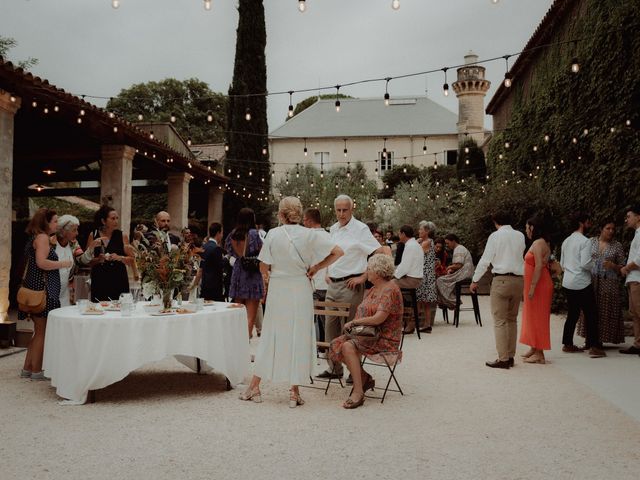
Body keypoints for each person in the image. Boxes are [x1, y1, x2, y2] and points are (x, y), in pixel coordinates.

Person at [239, 197, 343, 407]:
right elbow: (338, 252)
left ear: (281, 214)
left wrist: (269, 279)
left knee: (271, 335)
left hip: (279, 288)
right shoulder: (310, 235)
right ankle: (294, 392)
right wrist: (316, 268)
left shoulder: (274, 234)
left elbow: (263, 267)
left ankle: (255, 387)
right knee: (299, 336)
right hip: (301, 288)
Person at [316, 194, 390, 381]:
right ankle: (335, 368)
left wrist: (364, 276)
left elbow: (379, 252)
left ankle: (354, 373)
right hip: (333, 285)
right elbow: (333, 254)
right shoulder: (333, 228)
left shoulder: (360, 229)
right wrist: (328, 271)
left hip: (351, 285)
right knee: (330, 328)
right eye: (338, 210)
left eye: (345, 210)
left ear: (352, 209)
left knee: (350, 329)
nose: (341, 214)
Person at [328, 254, 404, 409]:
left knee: (348, 346)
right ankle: (363, 377)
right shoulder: (374, 289)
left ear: (378, 271)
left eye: (369, 268)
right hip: (367, 334)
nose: (366, 271)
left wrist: (355, 322)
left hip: (384, 336)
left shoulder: (391, 289)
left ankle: (358, 391)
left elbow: (378, 319)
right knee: (337, 343)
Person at [19, 208, 73, 380]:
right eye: (55, 221)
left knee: (38, 330)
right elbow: (41, 263)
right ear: (46, 222)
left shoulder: (36, 237)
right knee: (42, 331)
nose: (57, 224)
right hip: (42, 290)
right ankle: (36, 371)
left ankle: (28, 368)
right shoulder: (42, 238)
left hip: (34, 288)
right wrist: (63, 263)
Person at [469, 212, 525, 369]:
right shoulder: (520, 236)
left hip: (501, 279)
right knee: (512, 319)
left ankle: (503, 358)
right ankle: (511, 356)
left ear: (496, 222)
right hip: (518, 280)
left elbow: (485, 259)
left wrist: (475, 280)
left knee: (499, 321)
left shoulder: (495, 236)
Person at [560, 212, 605, 358]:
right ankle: (594, 346)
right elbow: (586, 264)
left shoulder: (566, 241)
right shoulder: (585, 241)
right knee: (591, 314)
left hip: (568, 281)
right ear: (581, 223)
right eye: (587, 220)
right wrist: (596, 265)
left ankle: (567, 343)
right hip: (581, 282)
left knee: (572, 314)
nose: (589, 223)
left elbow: (562, 264)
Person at [576, 219, 626, 345]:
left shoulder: (617, 245)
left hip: (608, 282)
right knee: (589, 309)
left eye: (613, 229)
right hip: (591, 280)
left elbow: (623, 267)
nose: (611, 231)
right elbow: (582, 259)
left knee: (604, 309)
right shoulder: (591, 242)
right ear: (601, 229)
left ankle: (599, 340)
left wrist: (613, 265)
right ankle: (589, 339)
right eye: (608, 228)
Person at [519, 215, 554, 364]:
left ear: (533, 227)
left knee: (538, 317)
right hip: (536, 283)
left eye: (527, 227)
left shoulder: (539, 243)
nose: (526, 230)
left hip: (539, 285)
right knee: (532, 316)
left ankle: (540, 353)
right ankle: (534, 347)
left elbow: (539, 265)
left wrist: (532, 286)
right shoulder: (539, 242)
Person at [225, 207, 264, 338]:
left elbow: (230, 252)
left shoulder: (232, 234)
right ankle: (244, 349)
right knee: (250, 317)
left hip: (238, 272)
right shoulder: (253, 233)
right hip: (251, 273)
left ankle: (235, 345)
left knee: (238, 315)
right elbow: (262, 251)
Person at [86, 205, 133, 302]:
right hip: (100, 279)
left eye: (117, 218)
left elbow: (132, 259)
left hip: (119, 278)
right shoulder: (93, 235)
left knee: (119, 310)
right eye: (113, 218)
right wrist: (98, 259)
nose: (116, 221)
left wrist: (120, 258)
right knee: (99, 310)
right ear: (103, 221)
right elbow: (86, 260)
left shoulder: (122, 236)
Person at [303, 207, 330, 341]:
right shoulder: (329, 235)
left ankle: (316, 346)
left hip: (314, 283)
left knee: (311, 318)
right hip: (328, 283)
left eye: (304, 220)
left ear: (308, 220)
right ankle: (324, 346)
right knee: (325, 318)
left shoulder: (308, 237)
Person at [393, 225, 424, 334]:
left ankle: (392, 319)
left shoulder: (410, 246)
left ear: (403, 234)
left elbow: (405, 266)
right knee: (389, 285)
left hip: (412, 280)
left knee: (386, 285)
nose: (398, 235)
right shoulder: (414, 244)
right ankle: (403, 319)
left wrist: (394, 275)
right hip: (414, 278)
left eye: (399, 233)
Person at [620, 205, 640, 355]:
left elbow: (639, 259)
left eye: (629, 216)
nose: (627, 219)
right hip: (633, 279)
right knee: (635, 313)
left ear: (638, 217)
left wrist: (626, 268)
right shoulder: (637, 234)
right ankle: (638, 344)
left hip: (637, 279)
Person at [436, 234, 475, 310]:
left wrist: (449, 267)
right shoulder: (460, 248)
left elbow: (458, 265)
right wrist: (451, 269)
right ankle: (445, 302)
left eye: (448, 243)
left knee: (439, 280)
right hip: (465, 272)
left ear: (453, 241)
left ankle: (452, 302)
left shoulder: (458, 249)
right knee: (443, 278)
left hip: (464, 274)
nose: (447, 245)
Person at [55, 215, 82, 307]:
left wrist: (91, 249)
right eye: (74, 230)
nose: (77, 233)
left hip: (66, 291)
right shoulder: (51, 243)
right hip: (50, 291)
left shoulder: (73, 243)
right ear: (63, 231)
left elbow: (82, 259)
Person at [416, 221, 438, 333]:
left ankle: (415, 323)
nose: (419, 231)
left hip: (425, 274)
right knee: (424, 301)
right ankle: (426, 324)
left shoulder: (426, 242)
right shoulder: (425, 241)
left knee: (421, 300)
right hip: (426, 273)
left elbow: (415, 252)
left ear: (427, 231)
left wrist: (416, 242)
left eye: (421, 229)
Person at [194, 222, 225, 301]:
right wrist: (227, 259)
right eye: (221, 233)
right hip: (215, 287)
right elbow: (220, 266)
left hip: (204, 286)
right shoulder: (216, 248)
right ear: (218, 233)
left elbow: (200, 269)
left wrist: (194, 284)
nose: (222, 236)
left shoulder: (204, 247)